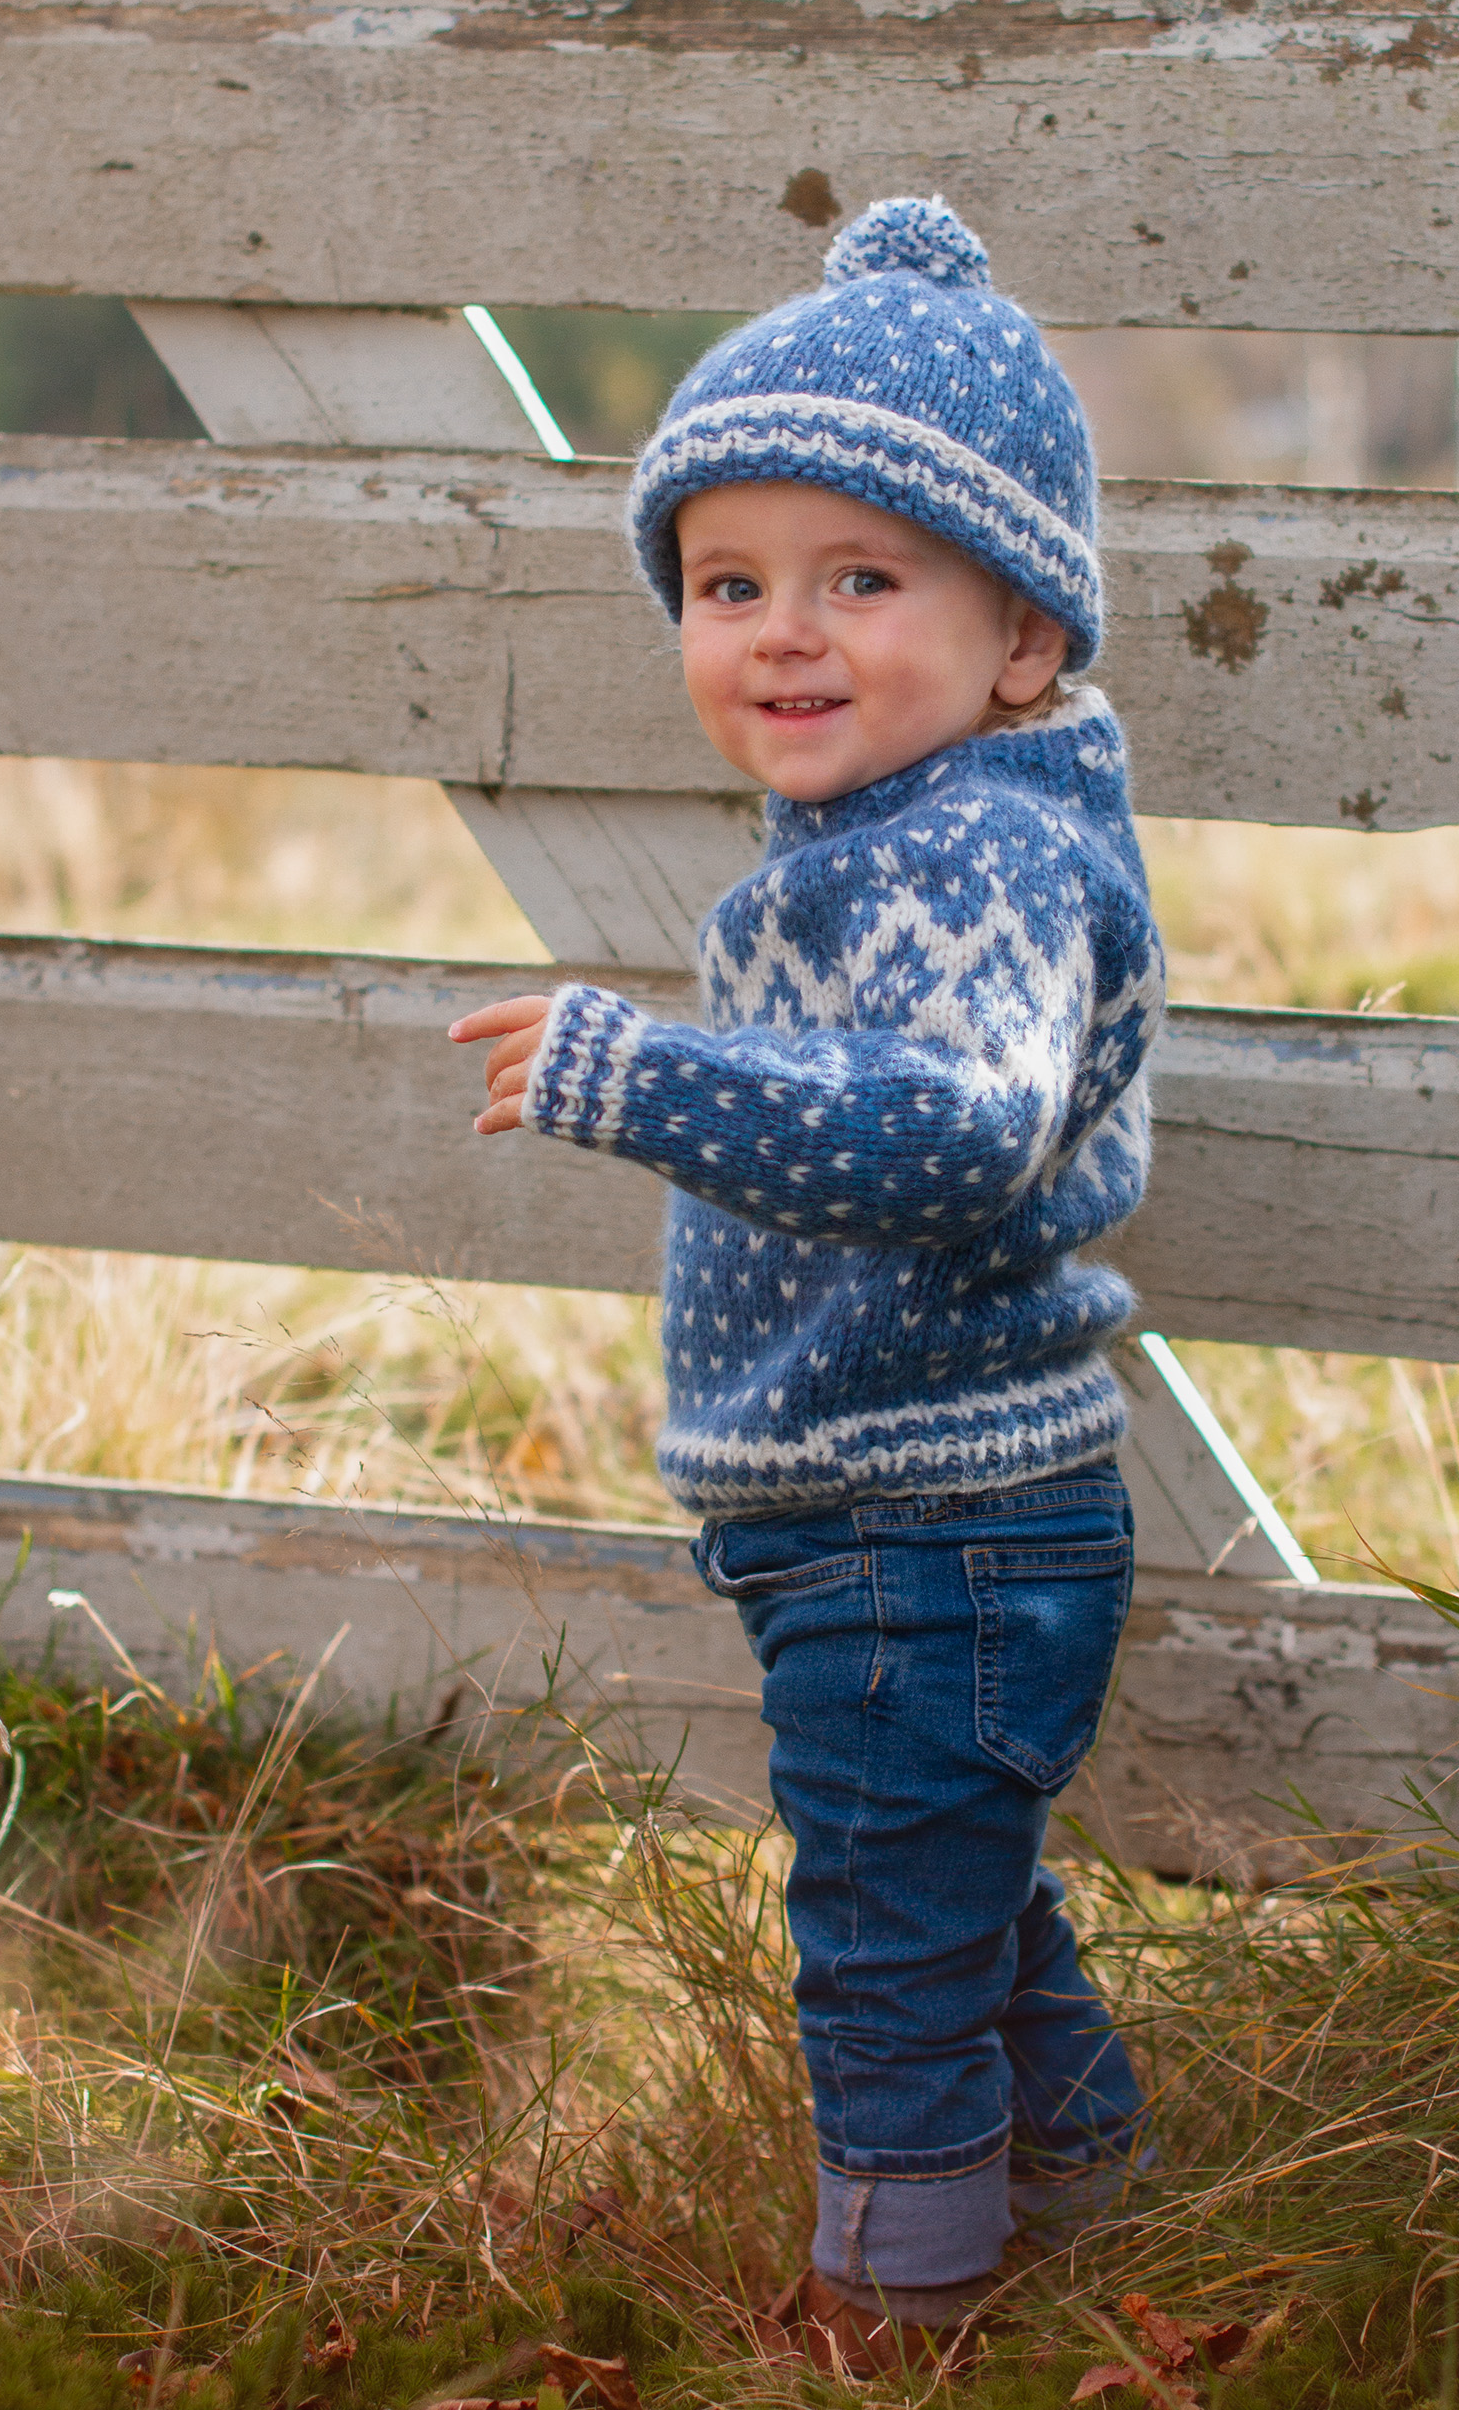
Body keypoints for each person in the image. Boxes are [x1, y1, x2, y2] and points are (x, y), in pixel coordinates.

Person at [450, 195, 1166, 2369]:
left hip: (931, 1528)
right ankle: (1100, 2187)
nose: (786, 630)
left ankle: (899, 2303)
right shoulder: (899, 830)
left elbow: (957, 1127)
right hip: (894, 1515)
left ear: (1023, 634)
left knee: (879, 1940)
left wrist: (642, 1073)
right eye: (732, 581)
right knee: (953, 1891)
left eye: (864, 578)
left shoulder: (982, 851)